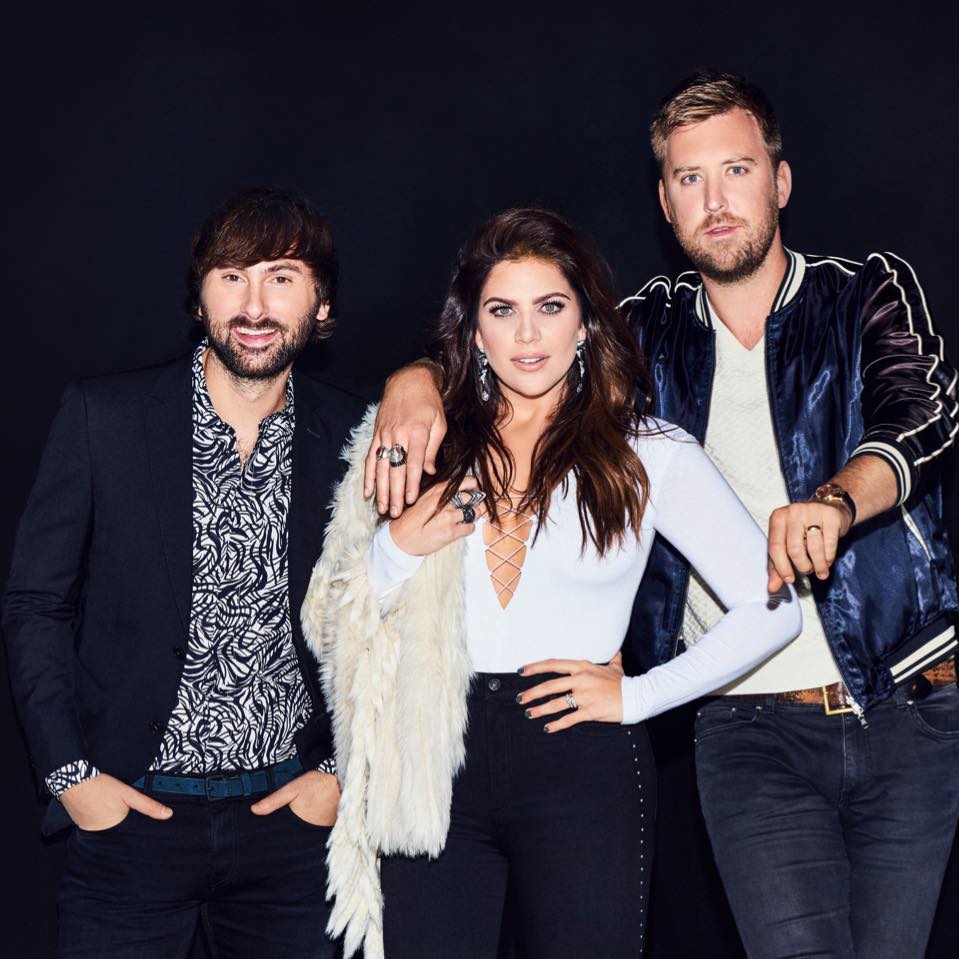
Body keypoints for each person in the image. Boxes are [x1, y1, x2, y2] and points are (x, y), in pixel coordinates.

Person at [372, 73, 959, 959]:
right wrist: (411, 380)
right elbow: (524, 337)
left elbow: (920, 415)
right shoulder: (643, 333)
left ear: (780, 181)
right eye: (690, 178)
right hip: (742, 722)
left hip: (902, 701)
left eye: (736, 170)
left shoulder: (862, 294)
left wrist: (837, 500)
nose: (714, 201)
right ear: (664, 201)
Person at [302, 207, 802, 959]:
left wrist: (639, 696)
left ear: (585, 324)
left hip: (582, 759)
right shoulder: (421, 441)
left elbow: (775, 610)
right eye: (503, 311)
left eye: (551, 307)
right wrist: (397, 548)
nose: (528, 334)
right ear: (475, 330)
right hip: (434, 753)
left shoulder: (648, 452)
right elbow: (329, 624)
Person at [3, 187, 366, 959]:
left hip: (291, 827)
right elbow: (36, 602)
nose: (255, 305)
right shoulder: (105, 418)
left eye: (282, 277)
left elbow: (390, 618)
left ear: (322, 303)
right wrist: (69, 774)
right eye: (232, 276)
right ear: (199, 300)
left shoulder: (356, 435)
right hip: (131, 819)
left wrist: (344, 773)